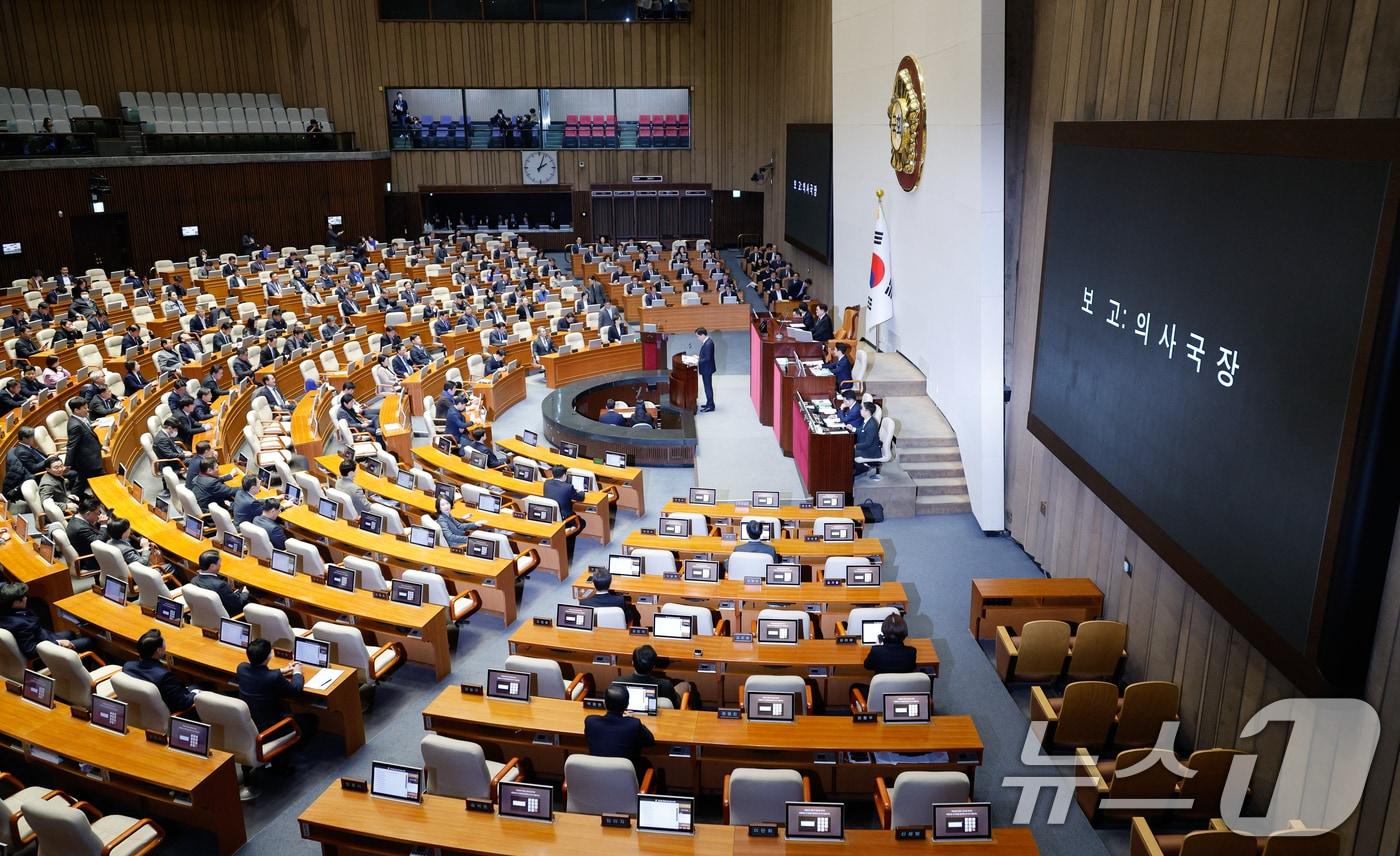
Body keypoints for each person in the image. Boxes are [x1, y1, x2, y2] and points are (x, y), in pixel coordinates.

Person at [236, 638, 308, 740]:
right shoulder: (273, 677)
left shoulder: (241, 668)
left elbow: (260, 673)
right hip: (268, 727)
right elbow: (295, 690)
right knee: (310, 720)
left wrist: (282, 670)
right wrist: (297, 672)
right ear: (269, 655)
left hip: (250, 720)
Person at [0, 581, 92, 657]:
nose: (26, 598)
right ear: (15, 603)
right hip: (45, 651)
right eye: (23, 597)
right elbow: (31, 651)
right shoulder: (20, 625)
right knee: (88, 641)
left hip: (42, 636)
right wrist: (58, 643)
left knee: (70, 633)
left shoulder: (6, 609)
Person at [584, 684, 655, 778]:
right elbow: (650, 741)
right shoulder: (633, 724)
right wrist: (632, 719)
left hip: (597, 777)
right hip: (626, 780)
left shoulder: (590, 722)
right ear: (627, 705)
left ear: (605, 703)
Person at [124, 630, 200, 713]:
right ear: (158, 650)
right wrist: (195, 693)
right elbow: (182, 704)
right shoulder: (164, 676)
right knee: (203, 686)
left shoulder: (128, 667)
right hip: (170, 712)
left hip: (140, 710)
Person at [611, 644, 681, 708]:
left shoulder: (617, 684)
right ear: (654, 666)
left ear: (632, 663)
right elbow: (676, 705)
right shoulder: (666, 685)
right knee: (686, 685)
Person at [190, 549, 250, 617]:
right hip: (230, 615)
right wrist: (245, 593)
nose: (220, 565)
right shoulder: (220, 586)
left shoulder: (194, 580)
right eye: (219, 563)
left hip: (206, 614)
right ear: (212, 566)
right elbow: (238, 603)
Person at [64, 397, 105, 491]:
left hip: (90, 457)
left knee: (81, 482)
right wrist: (67, 465)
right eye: (84, 408)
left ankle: (74, 500)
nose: (88, 410)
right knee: (102, 478)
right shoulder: (75, 425)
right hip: (87, 460)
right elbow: (71, 445)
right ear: (76, 410)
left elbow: (90, 435)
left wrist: (101, 446)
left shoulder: (82, 418)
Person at [3, 427, 49, 503]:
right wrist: (48, 461)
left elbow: (41, 457)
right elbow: (33, 469)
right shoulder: (22, 452)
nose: (33, 439)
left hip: (48, 467)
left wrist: (51, 458)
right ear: (24, 439)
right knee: (73, 474)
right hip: (41, 474)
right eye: (31, 437)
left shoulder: (28, 446)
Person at [853, 401, 882, 476]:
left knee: (849, 453)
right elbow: (862, 431)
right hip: (867, 447)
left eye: (862, 408)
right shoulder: (867, 420)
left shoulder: (871, 425)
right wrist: (853, 429)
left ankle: (862, 468)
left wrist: (856, 446)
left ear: (867, 411)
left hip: (871, 451)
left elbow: (868, 443)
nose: (860, 410)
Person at [695, 327, 716, 412]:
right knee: (707, 387)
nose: (697, 338)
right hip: (707, 368)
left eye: (698, 336)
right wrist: (698, 357)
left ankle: (710, 406)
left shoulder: (708, 343)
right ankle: (709, 403)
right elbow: (705, 356)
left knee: (708, 387)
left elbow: (707, 358)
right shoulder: (707, 342)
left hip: (707, 369)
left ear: (702, 335)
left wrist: (697, 361)